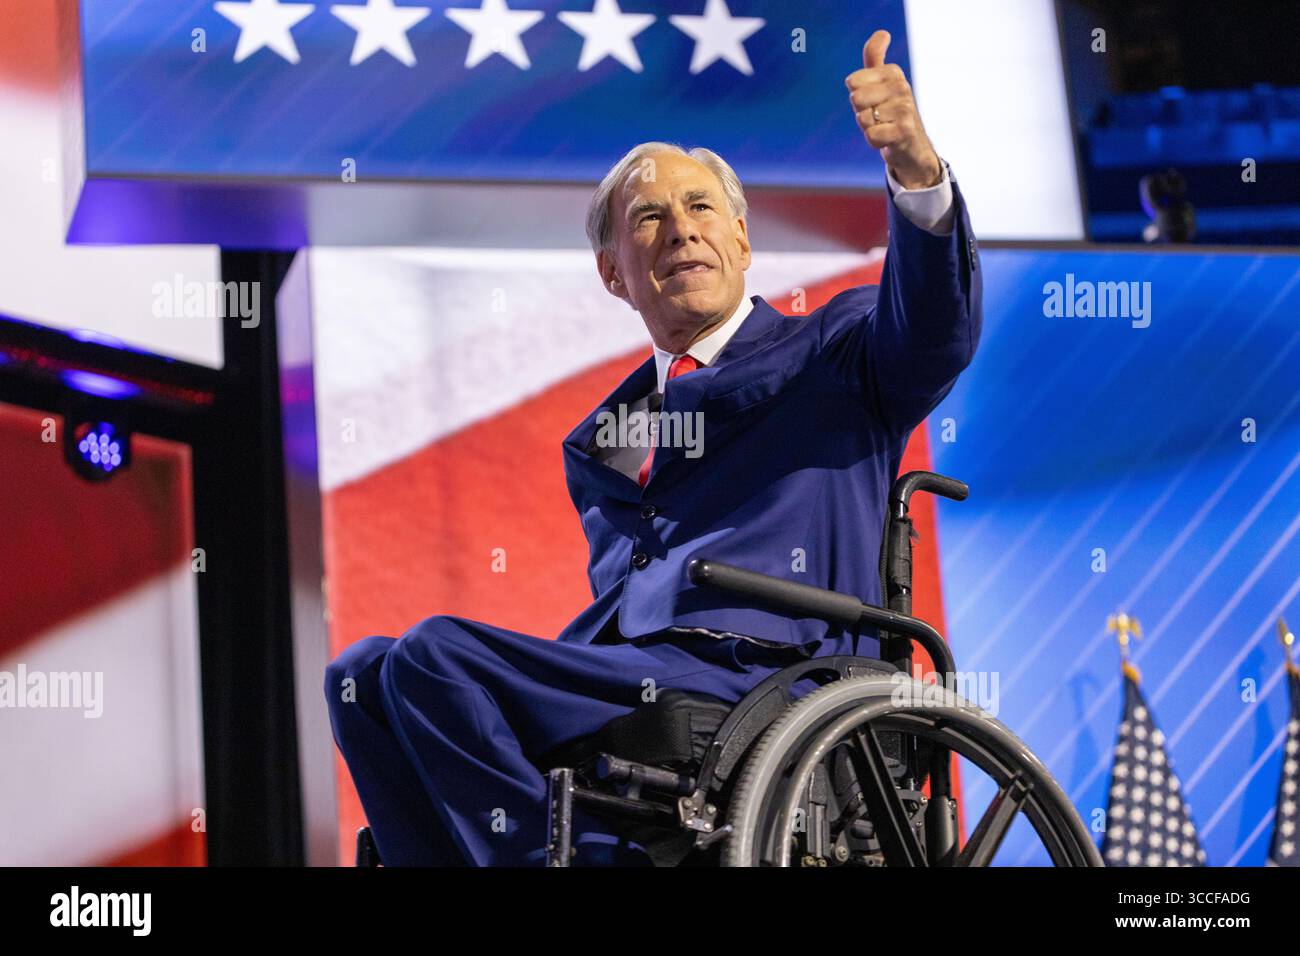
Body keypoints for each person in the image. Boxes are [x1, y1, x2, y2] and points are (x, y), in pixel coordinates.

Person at [325, 29, 982, 866]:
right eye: (650, 217)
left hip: (772, 669)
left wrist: (917, 175)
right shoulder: (607, 437)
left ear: (742, 242)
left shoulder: (835, 348)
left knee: (431, 656)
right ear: (613, 273)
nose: (681, 229)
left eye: (702, 207)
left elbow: (936, 330)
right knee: (359, 674)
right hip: (633, 668)